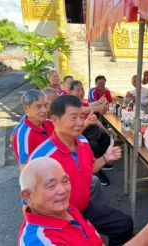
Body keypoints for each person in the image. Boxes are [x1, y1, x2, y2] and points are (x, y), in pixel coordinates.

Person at [28, 95, 133, 245]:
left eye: (81, 117)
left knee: (124, 224)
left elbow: (89, 169)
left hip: (85, 207)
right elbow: (29, 202)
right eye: (73, 118)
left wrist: (105, 158)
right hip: (61, 218)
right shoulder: (42, 158)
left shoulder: (82, 142)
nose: (80, 123)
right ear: (55, 120)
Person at [18, 157, 148, 245]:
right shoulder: (40, 241)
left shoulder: (65, 209)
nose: (63, 190)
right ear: (27, 196)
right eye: (50, 185)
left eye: (65, 180)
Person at [69, 80, 113, 186]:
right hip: (76, 135)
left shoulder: (82, 101)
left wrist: (106, 131)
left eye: (82, 89)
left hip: (87, 130)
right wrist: (96, 109)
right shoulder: (70, 105)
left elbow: (93, 117)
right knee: (93, 145)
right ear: (70, 92)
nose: (81, 92)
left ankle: (101, 163)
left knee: (105, 137)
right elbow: (85, 110)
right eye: (77, 90)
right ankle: (97, 172)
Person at [12, 90, 54, 169]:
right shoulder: (24, 135)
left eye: (45, 105)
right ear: (26, 108)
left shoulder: (49, 123)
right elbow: (24, 168)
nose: (45, 110)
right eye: (39, 107)